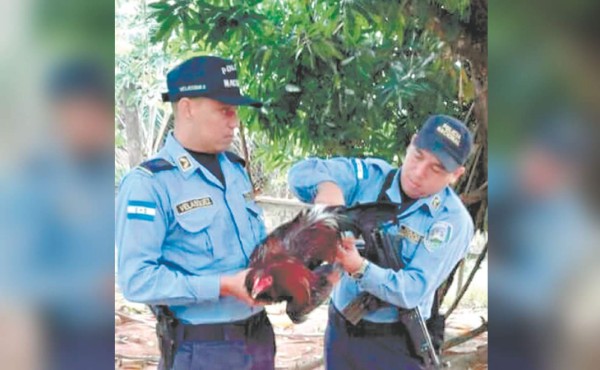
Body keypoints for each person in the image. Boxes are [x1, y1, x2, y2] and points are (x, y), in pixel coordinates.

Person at [116, 56, 275, 370]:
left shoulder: (235, 171)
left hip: (259, 340)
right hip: (203, 348)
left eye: (236, 111)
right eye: (224, 110)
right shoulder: (150, 184)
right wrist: (222, 285)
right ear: (187, 108)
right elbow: (137, 280)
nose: (235, 121)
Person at [288, 115, 475, 369]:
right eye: (418, 155)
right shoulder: (370, 177)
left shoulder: (451, 222)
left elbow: (412, 290)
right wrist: (327, 188)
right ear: (411, 143)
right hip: (341, 330)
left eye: (436, 168)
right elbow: (302, 171)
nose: (419, 173)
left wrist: (359, 268)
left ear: (456, 175)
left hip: (394, 343)